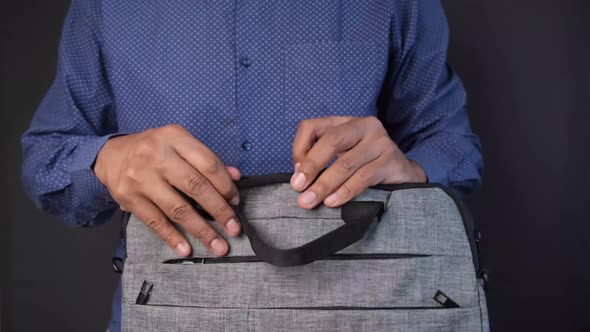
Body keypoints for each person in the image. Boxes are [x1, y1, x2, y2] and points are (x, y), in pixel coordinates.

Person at [21, 0, 483, 330]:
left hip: (372, 310)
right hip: (171, 312)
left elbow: (453, 145)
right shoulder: (104, 7)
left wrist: (411, 168)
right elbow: (45, 158)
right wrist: (105, 160)